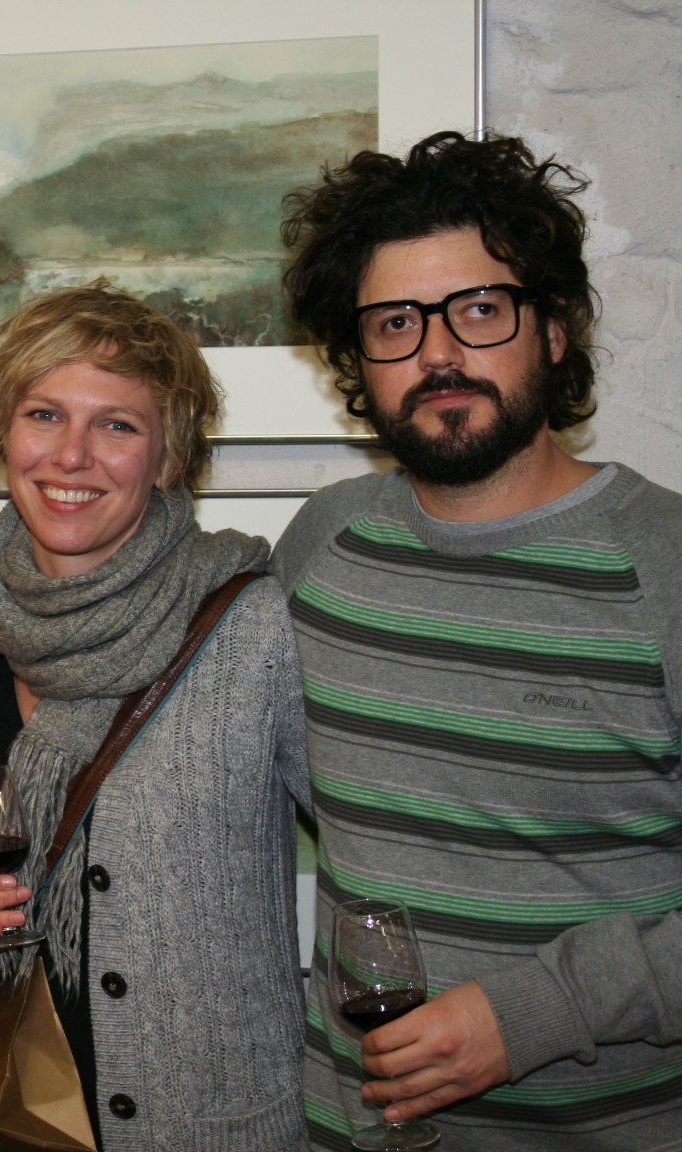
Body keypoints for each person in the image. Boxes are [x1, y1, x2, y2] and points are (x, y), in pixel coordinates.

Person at [272, 131, 682, 1150]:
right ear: (357, 360)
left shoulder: (665, 567)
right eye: (395, 324)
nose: (438, 354)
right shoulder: (322, 546)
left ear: (554, 330)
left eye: (481, 310)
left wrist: (539, 1012)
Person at [0, 282, 313, 1147]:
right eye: (44, 415)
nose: (72, 456)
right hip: (11, 1118)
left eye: (118, 426)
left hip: (211, 1127)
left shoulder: (250, 628)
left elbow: (375, 851)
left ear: (168, 458)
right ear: (5, 436)